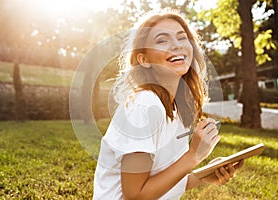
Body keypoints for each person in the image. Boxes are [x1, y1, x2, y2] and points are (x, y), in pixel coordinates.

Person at [93, 10, 244, 200]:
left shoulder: (176, 109)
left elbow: (163, 182)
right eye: (162, 40)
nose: (176, 45)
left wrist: (205, 176)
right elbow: (135, 195)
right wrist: (193, 156)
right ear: (144, 60)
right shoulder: (143, 105)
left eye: (182, 38)